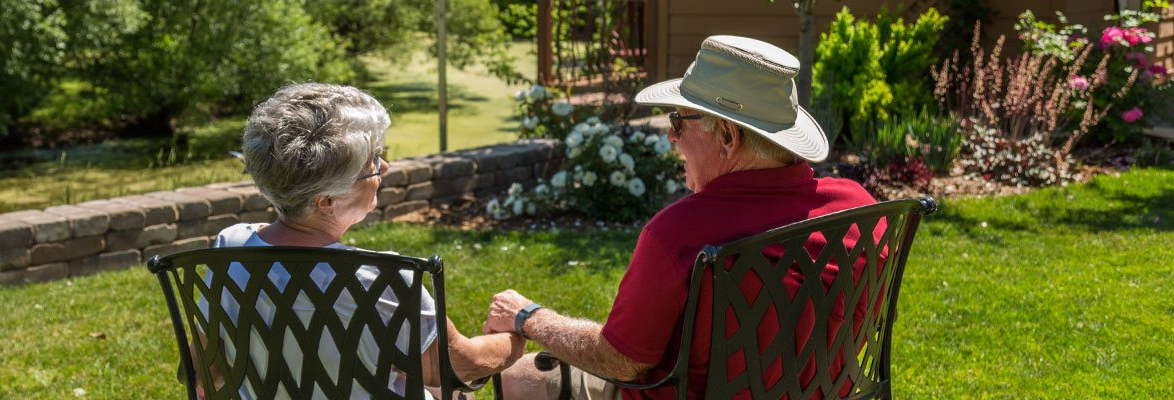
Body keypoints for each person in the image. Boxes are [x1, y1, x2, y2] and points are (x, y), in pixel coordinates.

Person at [481, 36, 878, 399]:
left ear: (727, 137)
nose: (671, 136)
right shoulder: (862, 211)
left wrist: (530, 318)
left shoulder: (679, 235)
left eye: (678, 121)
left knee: (514, 377)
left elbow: (620, 360)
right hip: (821, 393)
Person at [197, 83, 525, 399]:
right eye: (371, 164)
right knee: (539, 380)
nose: (384, 167)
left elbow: (208, 369)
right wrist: (516, 332)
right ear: (326, 201)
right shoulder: (383, 280)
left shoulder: (230, 248)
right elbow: (455, 366)